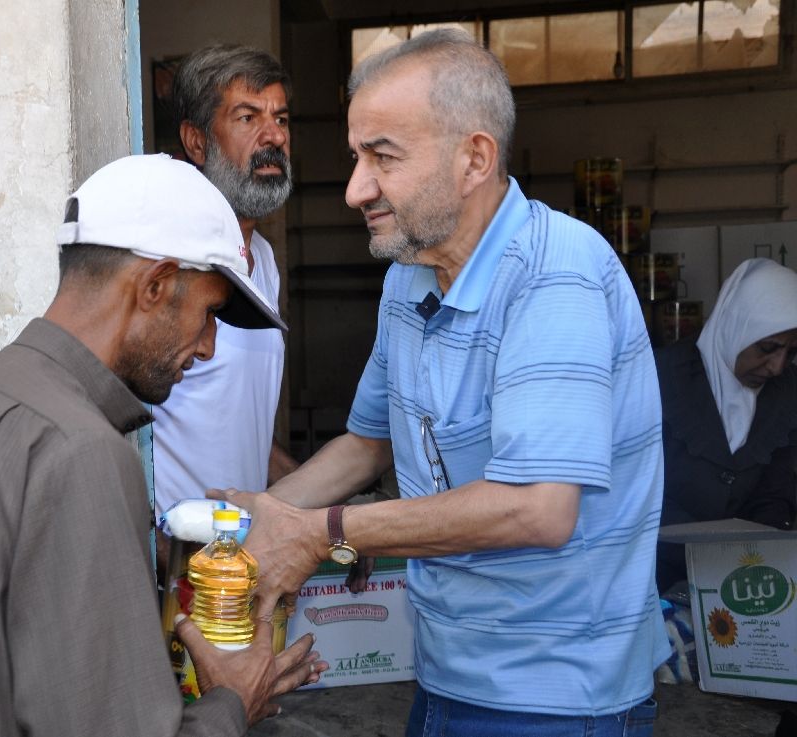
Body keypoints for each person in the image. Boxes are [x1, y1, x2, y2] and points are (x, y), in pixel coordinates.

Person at [211, 29, 669, 736]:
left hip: (557, 695)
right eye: (356, 158)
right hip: (446, 673)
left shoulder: (555, 274)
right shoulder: (409, 278)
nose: (356, 189)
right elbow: (365, 446)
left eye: (383, 157)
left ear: (474, 158)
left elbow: (538, 508)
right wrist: (255, 523)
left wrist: (322, 532)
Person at [0, 154, 324, 737]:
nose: (208, 349)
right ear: (154, 286)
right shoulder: (80, 452)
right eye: (209, 313)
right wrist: (231, 700)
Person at [151, 44, 298, 532]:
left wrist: (308, 515)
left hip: (240, 569)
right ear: (196, 142)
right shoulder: (168, 263)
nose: (273, 135)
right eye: (247, 117)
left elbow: (239, 431)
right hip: (180, 571)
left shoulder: (265, 263)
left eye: (280, 117)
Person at [656, 257, 797, 592]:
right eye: (767, 348)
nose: (776, 367)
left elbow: (774, 494)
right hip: (655, 577)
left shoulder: (786, 393)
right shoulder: (660, 379)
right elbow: (636, 490)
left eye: (791, 352)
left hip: (743, 582)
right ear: (737, 324)